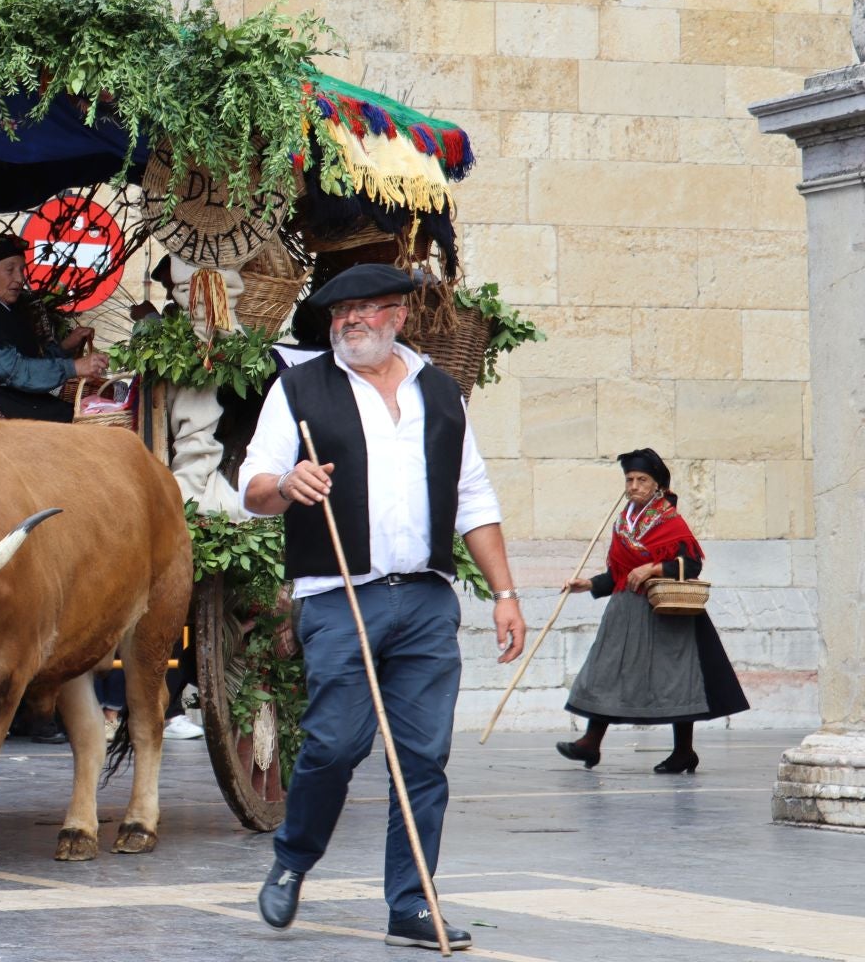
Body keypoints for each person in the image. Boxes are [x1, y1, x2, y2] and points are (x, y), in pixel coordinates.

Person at [241, 263, 526, 953]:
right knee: (336, 744)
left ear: (398, 315)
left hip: (426, 599)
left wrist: (505, 595)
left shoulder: (440, 391)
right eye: (340, 312)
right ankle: (293, 860)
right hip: (339, 596)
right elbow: (252, 487)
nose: (350, 321)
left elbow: (473, 497)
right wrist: (287, 484)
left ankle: (412, 904)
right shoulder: (298, 387)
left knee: (423, 757)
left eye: (365, 309)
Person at [556, 449, 749, 774]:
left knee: (676, 679)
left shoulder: (669, 521)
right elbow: (618, 574)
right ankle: (591, 742)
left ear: (657, 484)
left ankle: (684, 751)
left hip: (665, 613)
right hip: (624, 611)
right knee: (604, 670)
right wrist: (588, 584)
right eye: (629, 479)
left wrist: (653, 568)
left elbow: (692, 564)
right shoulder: (622, 523)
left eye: (641, 479)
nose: (633, 486)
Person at [0, 234, 105, 422]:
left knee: (77, 414)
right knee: (71, 422)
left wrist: (65, 346)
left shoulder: (4, 307)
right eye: (10, 270)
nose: (19, 278)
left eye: (21, 270)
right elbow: (13, 371)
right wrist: (73, 367)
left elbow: (30, 360)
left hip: (7, 394)